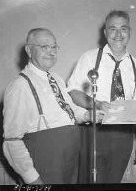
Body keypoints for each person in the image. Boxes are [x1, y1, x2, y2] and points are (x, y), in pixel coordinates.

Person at [2, 28, 102, 184]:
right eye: (44, 47)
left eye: (54, 47)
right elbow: (12, 141)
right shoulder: (19, 86)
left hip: (69, 158)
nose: (51, 52)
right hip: (44, 164)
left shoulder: (57, 79)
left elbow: (70, 110)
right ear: (29, 50)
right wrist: (31, 178)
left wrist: (87, 115)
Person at [67, 10, 136, 183]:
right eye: (113, 29)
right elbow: (73, 92)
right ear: (105, 32)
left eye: (124, 28)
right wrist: (97, 104)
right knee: (89, 181)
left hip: (123, 135)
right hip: (94, 132)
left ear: (130, 32)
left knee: (114, 181)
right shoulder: (89, 58)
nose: (118, 34)